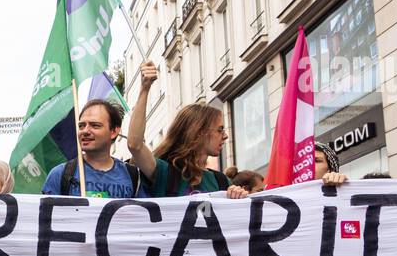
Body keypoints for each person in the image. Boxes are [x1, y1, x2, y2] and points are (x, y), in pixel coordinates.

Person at [129, 61, 248, 199]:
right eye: (219, 130)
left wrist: (238, 198)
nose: (225, 136)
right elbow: (134, 144)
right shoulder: (164, 172)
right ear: (199, 132)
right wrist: (145, 88)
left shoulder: (221, 181)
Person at [42, 97, 142, 199]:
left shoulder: (132, 177)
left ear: (114, 131)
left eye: (95, 125)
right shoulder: (59, 175)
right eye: (81, 126)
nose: (85, 131)